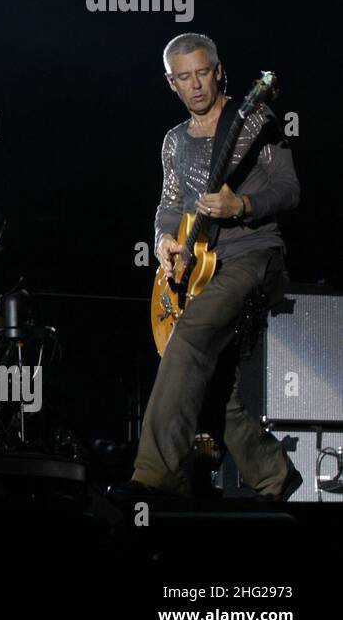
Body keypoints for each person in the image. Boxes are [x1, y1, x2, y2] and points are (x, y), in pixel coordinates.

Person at [123, 33, 301, 499]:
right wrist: (164, 241)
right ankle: (274, 473)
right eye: (185, 77)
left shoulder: (255, 120)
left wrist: (240, 204)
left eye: (203, 72)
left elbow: (288, 189)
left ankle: (156, 477)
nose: (196, 85)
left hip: (255, 257)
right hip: (202, 270)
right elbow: (169, 205)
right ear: (171, 83)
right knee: (218, 386)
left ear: (219, 71)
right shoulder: (174, 141)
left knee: (190, 340)